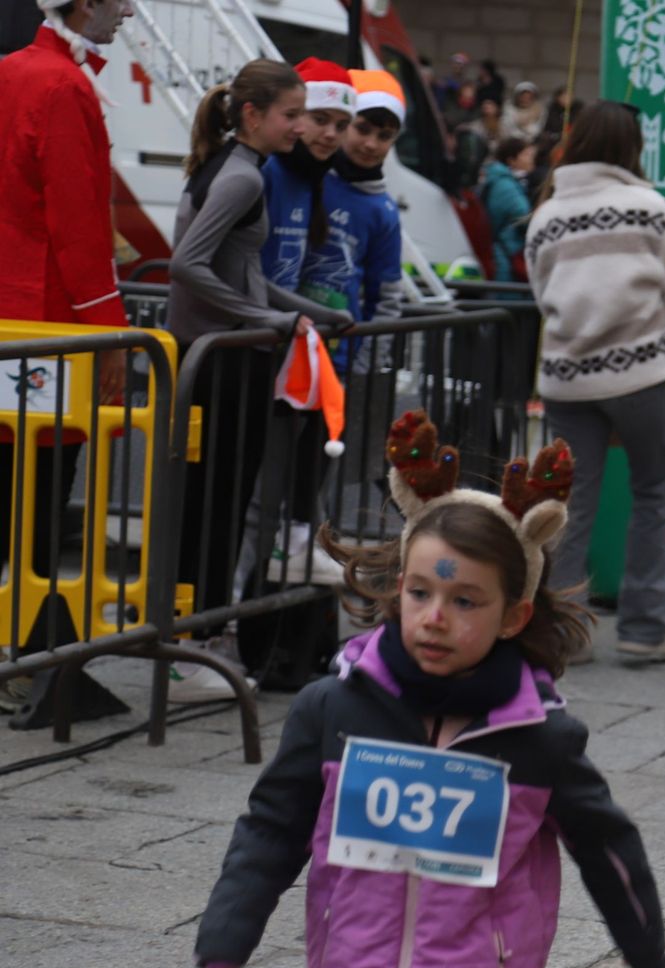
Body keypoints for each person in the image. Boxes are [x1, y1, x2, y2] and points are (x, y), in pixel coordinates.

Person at [194, 414, 665, 968]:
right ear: (399, 590)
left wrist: (642, 940)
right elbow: (275, 824)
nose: (436, 618)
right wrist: (231, 924)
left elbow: (604, 841)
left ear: (515, 616)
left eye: (466, 601)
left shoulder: (540, 739)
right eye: (421, 592)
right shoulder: (332, 708)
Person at [167, 59, 353, 701]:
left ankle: (200, 647)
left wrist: (301, 312)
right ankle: (196, 651)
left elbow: (240, 274)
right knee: (216, 508)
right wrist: (265, 319)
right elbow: (188, 265)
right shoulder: (243, 176)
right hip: (224, 361)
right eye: (291, 115)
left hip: (220, 354)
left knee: (212, 506)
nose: (300, 127)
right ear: (253, 115)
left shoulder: (231, 165)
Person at [525, 101, 665, 662]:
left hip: (568, 379)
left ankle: (564, 632)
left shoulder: (546, 216)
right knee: (653, 494)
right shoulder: (648, 207)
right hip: (640, 374)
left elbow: (542, 296)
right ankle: (645, 630)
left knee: (570, 505)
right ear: (633, 146)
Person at [0, 0, 132, 709]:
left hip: (13, 313)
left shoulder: (13, 71)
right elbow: (78, 223)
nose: (129, 12)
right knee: (42, 498)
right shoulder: (63, 85)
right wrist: (110, 332)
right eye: (120, 0)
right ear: (84, 4)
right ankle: (25, 657)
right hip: (50, 319)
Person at [302, 67, 407, 370]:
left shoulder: (383, 211)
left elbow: (385, 299)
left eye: (384, 136)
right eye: (362, 129)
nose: (371, 144)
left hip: (339, 359)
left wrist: (365, 367)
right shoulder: (305, 177)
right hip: (280, 340)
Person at [260, 59, 355, 294]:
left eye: (341, 126)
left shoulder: (311, 177)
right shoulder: (264, 170)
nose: (331, 134)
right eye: (320, 119)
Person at [481, 136, 534, 282]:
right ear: (511, 160)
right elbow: (523, 216)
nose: (531, 159)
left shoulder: (501, 180)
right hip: (507, 255)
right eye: (526, 155)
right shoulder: (505, 185)